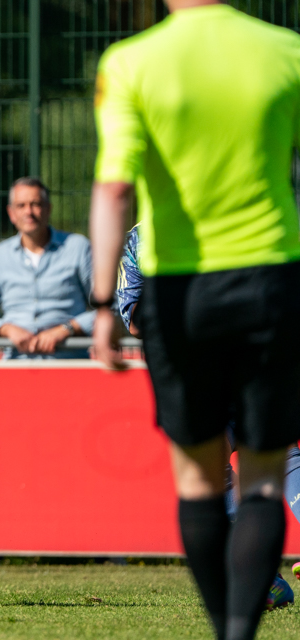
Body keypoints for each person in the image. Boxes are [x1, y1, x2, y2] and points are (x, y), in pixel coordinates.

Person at [90, 2, 300, 638]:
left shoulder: (131, 61)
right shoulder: (285, 50)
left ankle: (225, 631)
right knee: (264, 477)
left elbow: (113, 189)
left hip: (180, 292)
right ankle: (241, 626)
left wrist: (102, 303)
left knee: (200, 480)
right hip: (270, 279)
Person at [117, 223, 298, 611]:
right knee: (214, 467)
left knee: (278, 453)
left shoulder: (239, 213)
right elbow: (131, 314)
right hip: (189, 369)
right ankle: (265, 580)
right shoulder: (142, 235)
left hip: (252, 355)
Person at [0, 177, 95, 358]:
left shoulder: (78, 248)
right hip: (16, 365)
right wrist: (7, 329)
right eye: (21, 206)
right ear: (11, 213)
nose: (29, 212)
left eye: (36, 204)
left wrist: (66, 329)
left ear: (48, 209)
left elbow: (109, 309)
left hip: (69, 364)